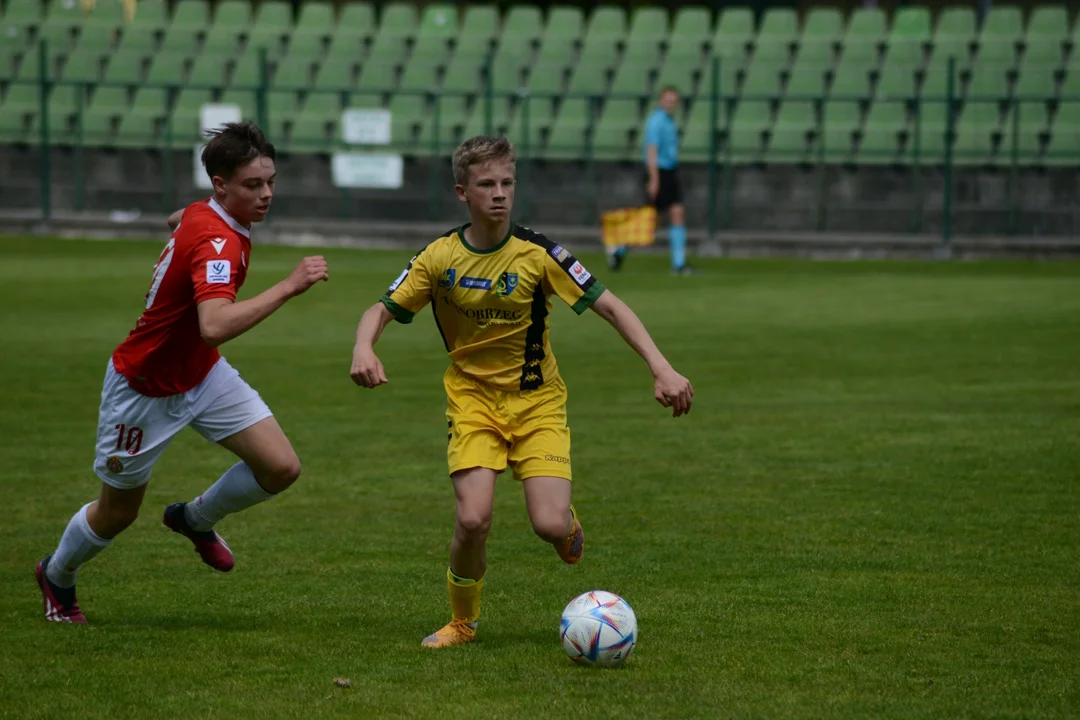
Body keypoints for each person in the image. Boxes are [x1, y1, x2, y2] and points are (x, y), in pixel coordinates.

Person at [349, 135, 694, 648]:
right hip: (472, 403)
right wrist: (363, 347)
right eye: (486, 184)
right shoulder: (439, 257)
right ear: (462, 191)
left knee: (549, 525)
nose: (499, 194)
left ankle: (566, 525)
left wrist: (662, 369)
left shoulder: (539, 254)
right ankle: (463, 622)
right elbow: (380, 308)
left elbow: (611, 306)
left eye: (507, 183)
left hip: (537, 404)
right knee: (472, 518)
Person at [35, 121, 329, 623]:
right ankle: (56, 575)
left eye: (270, 182)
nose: (266, 195)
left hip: (200, 373)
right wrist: (289, 285)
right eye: (252, 185)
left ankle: (193, 519)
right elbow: (212, 325)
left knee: (281, 468)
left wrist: (191, 229)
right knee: (118, 513)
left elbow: (182, 217)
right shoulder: (218, 241)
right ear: (221, 185)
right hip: (143, 387)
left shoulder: (204, 213)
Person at [607, 86, 692, 275]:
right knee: (650, 220)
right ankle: (619, 249)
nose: (671, 103)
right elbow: (651, 150)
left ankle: (679, 264)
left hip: (670, 171)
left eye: (674, 100)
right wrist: (654, 179)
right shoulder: (656, 122)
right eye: (668, 100)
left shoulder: (669, 121)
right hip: (659, 172)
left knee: (677, 212)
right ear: (661, 101)